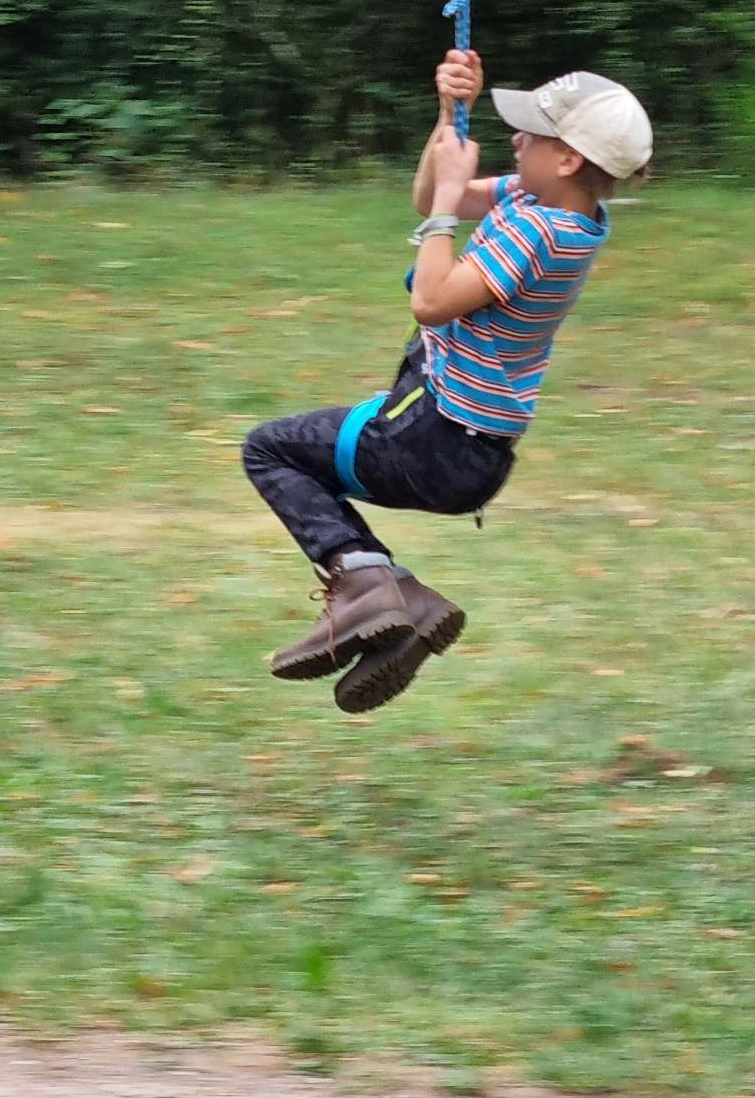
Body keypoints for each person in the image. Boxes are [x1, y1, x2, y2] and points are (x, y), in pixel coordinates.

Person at [242, 53, 652, 714]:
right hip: (457, 440)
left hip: (434, 441)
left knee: (270, 450)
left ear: (568, 159)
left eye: (531, 133)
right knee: (296, 450)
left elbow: (431, 300)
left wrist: (443, 202)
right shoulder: (540, 201)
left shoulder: (543, 234)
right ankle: (400, 602)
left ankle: (376, 587)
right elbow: (435, 195)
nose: (514, 139)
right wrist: (447, 113)